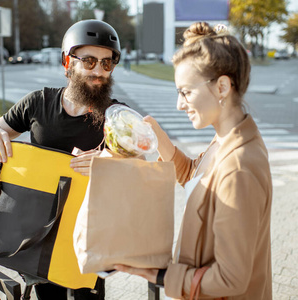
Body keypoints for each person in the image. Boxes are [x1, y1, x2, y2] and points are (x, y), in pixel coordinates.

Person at [114, 22, 273, 299]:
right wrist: (161, 142)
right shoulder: (225, 139)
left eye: (186, 92)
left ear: (222, 86)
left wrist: (162, 275)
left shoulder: (239, 168)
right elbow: (196, 178)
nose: (179, 104)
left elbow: (231, 278)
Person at [0, 19, 125, 300]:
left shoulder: (117, 116)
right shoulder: (37, 103)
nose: (99, 71)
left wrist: (110, 163)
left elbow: (138, 165)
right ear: (68, 61)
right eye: (89, 61)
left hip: (88, 235)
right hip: (37, 233)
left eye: (107, 63)